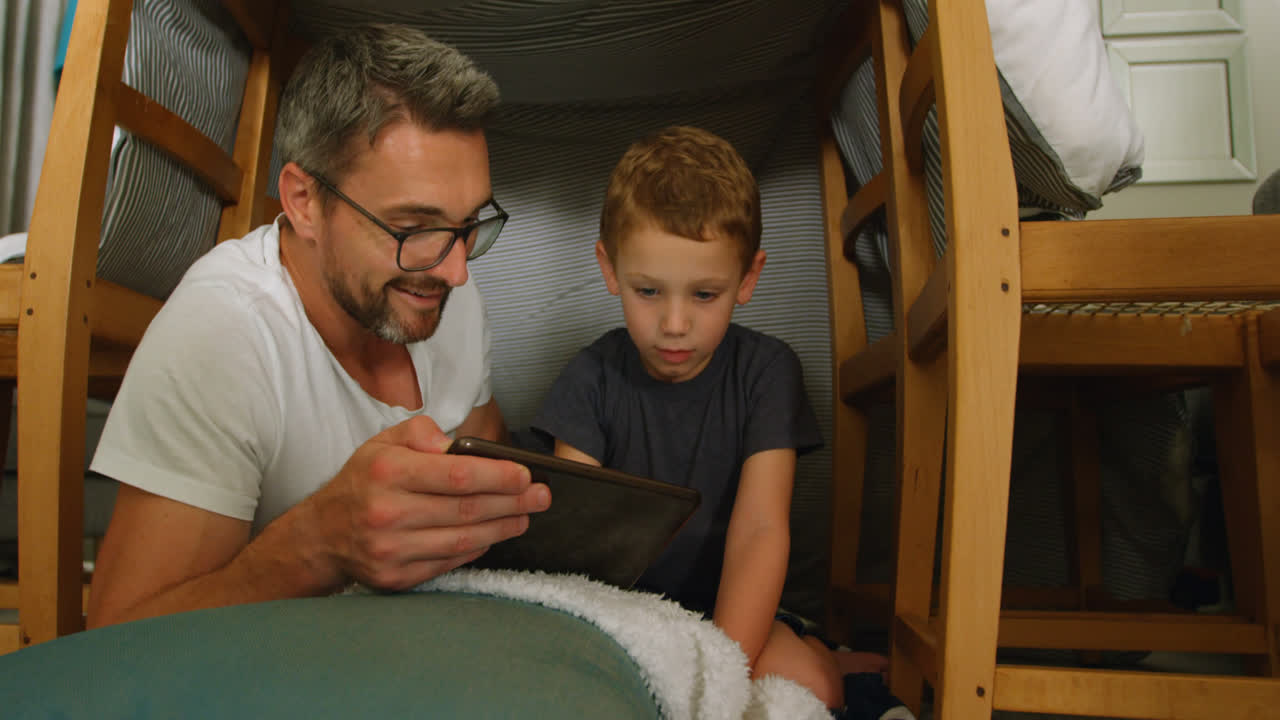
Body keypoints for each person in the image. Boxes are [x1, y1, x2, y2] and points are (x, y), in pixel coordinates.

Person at [85, 25, 551, 628]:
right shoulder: (225, 334)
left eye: (468, 226)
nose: (458, 271)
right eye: (413, 227)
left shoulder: (448, 292)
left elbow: (489, 463)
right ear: (304, 201)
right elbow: (118, 643)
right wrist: (319, 544)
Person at [531, 126, 896, 713]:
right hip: (630, 612)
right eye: (648, 290)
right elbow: (575, 548)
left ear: (748, 279)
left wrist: (721, 671)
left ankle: (819, 652)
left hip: (732, 605)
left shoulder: (766, 370)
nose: (674, 324)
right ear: (609, 269)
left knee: (817, 687)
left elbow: (759, 531)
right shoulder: (590, 377)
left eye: (704, 295)